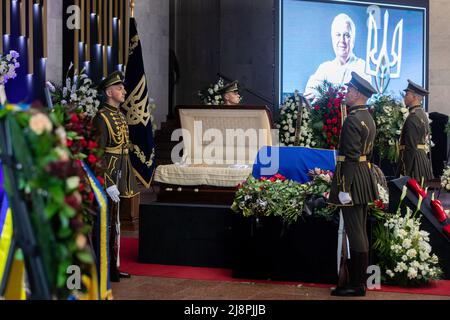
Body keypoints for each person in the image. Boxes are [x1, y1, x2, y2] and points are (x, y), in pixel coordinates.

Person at [328, 72, 378, 297]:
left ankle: (357, 285)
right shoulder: (367, 117)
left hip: (352, 180)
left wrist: (344, 188)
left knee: (355, 230)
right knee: (360, 230)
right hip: (364, 177)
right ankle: (360, 282)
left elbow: (349, 157)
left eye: (349, 90)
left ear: (358, 94)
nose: (347, 94)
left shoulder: (352, 120)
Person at [93, 71, 140, 282]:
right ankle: (104, 268)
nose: (124, 91)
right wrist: (108, 182)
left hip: (121, 172)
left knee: (116, 223)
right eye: (119, 89)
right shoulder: (101, 117)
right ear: (108, 92)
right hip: (108, 176)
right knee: (106, 224)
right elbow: (97, 154)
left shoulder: (120, 115)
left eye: (123, 88)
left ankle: (113, 267)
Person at [304, 13, 371, 102]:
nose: (342, 41)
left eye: (347, 35)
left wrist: (324, 96)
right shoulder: (325, 68)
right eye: (338, 35)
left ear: (353, 39)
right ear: (332, 38)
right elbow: (310, 92)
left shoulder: (361, 66)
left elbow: (362, 99)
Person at [397, 80, 434, 183]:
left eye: (407, 94)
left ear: (414, 97)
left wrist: (405, 171)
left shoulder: (413, 117)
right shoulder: (421, 114)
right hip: (420, 160)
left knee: (409, 196)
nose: (405, 97)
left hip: (413, 163)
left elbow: (410, 146)